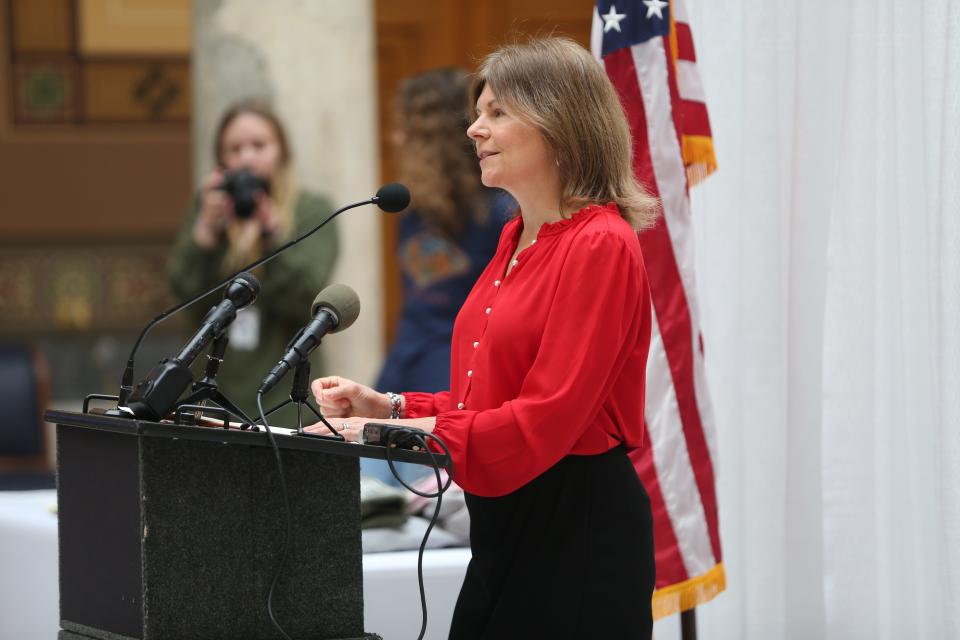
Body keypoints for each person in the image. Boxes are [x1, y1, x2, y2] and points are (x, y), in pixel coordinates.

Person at [309, 37, 658, 638]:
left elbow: (543, 419)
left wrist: (392, 433)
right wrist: (390, 405)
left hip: (575, 525)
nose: (474, 129)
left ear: (560, 123)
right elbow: (488, 404)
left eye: (497, 112)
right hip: (505, 521)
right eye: (478, 112)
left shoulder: (599, 242)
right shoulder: (514, 238)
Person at [368, 68, 513, 486]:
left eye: (406, 129)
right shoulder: (410, 210)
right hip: (401, 379)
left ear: (433, 136)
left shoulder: (501, 212)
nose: (396, 141)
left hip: (455, 395)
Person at [168, 99, 338, 427]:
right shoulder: (208, 211)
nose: (246, 157)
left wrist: (273, 233)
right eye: (235, 148)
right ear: (221, 159)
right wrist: (203, 235)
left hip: (283, 397)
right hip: (212, 395)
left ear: (282, 152)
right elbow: (184, 299)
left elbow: (305, 297)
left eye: (259, 145)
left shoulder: (311, 211)